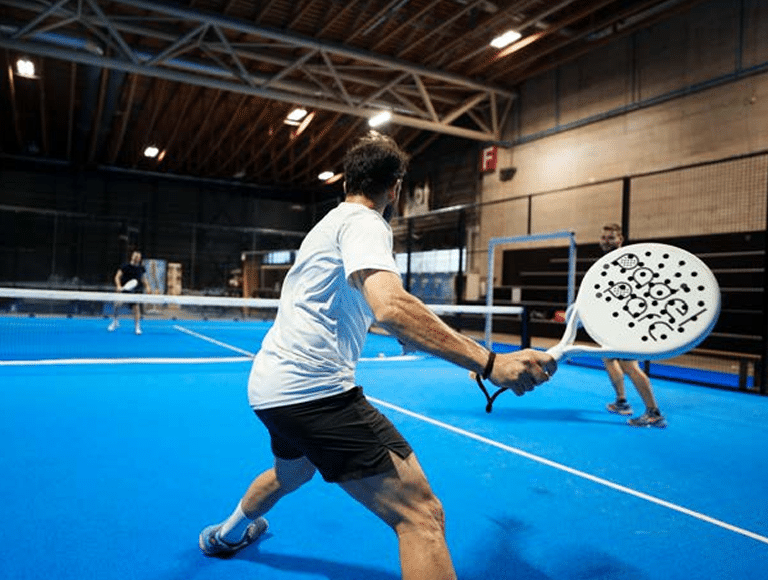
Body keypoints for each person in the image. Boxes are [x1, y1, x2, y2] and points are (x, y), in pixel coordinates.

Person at [197, 132, 557, 579]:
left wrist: (419, 335)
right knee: (422, 516)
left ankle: (226, 535)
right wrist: (490, 362)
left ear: (347, 180)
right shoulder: (366, 224)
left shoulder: (330, 224)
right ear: (397, 188)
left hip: (271, 391)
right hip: (316, 395)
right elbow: (393, 306)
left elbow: (374, 312)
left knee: (291, 474)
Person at [599, 223, 667, 428]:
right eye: (603, 237)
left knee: (630, 365)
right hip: (614, 322)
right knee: (608, 357)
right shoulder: (606, 261)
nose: (606, 241)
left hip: (629, 322)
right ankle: (621, 402)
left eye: (611, 238)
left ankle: (653, 413)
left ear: (620, 239)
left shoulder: (626, 260)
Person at [108, 249, 152, 335]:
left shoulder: (141, 268)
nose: (137, 257)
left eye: (138, 257)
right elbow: (117, 277)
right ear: (132, 256)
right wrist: (118, 286)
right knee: (117, 304)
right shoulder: (125, 266)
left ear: (139, 258)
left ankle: (137, 327)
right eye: (135, 256)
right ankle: (115, 321)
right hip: (124, 290)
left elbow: (143, 279)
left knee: (136, 308)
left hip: (134, 291)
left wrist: (147, 287)